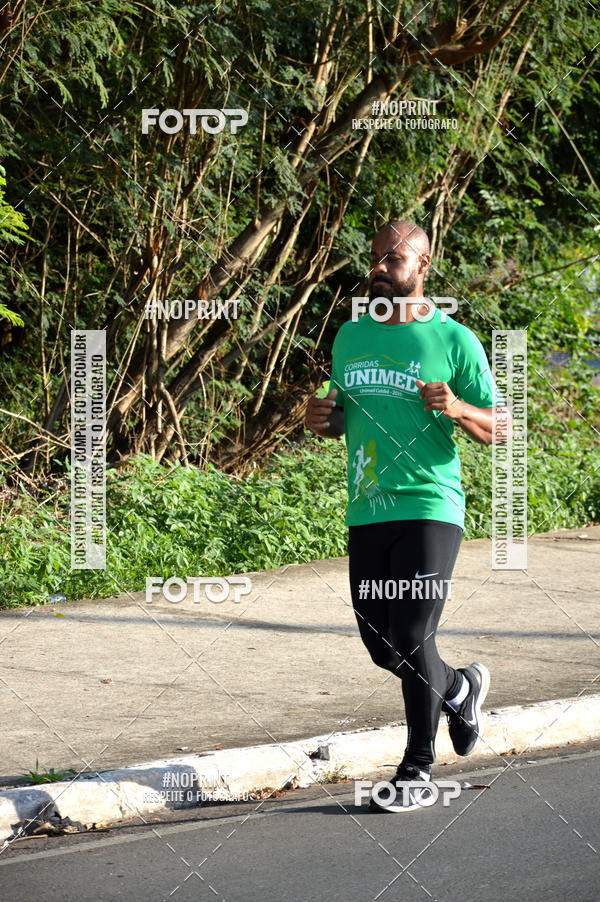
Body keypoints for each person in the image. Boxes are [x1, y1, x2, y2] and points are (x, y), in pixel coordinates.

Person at [305, 221, 509, 812]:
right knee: (382, 644)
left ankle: (417, 769)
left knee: (415, 634)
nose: (378, 269)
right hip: (367, 506)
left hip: (429, 504)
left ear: (423, 265)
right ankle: (458, 686)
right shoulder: (349, 337)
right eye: (374, 259)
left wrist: (459, 405)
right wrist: (324, 418)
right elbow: (345, 415)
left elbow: (501, 429)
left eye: (392, 260)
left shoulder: (454, 340)